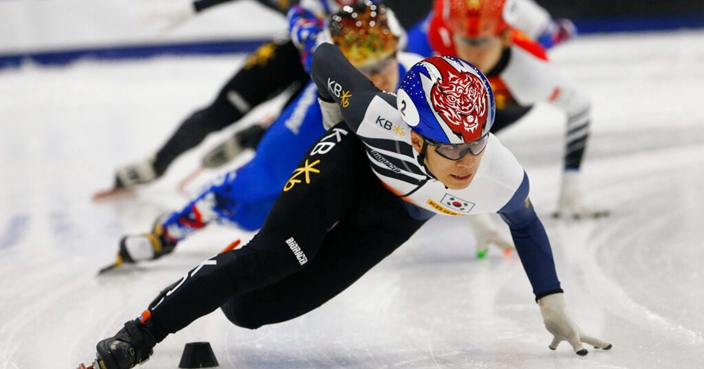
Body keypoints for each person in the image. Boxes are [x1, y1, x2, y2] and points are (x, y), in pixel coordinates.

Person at [80, 28, 612, 369]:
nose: (469, 162)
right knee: (280, 255)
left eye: (477, 143)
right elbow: (325, 57)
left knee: (254, 309)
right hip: (347, 167)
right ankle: (140, 334)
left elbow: (526, 224)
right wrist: (335, 117)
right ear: (413, 133)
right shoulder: (377, 118)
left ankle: (229, 268)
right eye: (453, 148)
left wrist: (552, 302)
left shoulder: (500, 175)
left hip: (393, 218)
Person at [105, 1, 513, 273]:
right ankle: (167, 233)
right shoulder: (313, 34)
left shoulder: (402, 57)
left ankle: (256, 138)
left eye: (382, 65)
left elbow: (446, 156)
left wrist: (475, 213)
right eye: (362, 69)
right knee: (256, 189)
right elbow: (300, 23)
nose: (374, 78)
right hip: (319, 105)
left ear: (396, 51)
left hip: (349, 83)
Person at [424, 0, 606, 219]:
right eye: (465, 41)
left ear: (505, 37)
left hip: (510, 99)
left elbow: (580, 108)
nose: (472, 53)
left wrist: (570, 189)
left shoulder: (533, 74)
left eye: (482, 42)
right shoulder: (437, 36)